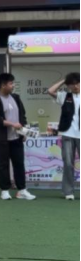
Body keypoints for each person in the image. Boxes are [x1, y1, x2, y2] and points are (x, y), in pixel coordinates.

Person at [0, 73, 36, 201]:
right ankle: (4, 191)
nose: (13, 85)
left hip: (16, 138)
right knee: (2, 165)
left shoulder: (16, 98)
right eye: (11, 83)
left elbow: (22, 116)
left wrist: (23, 131)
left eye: (13, 83)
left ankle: (22, 190)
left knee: (19, 164)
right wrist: (12, 124)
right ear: (3, 85)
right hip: (1, 140)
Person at [48, 72, 81, 200]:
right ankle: (68, 192)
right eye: (72, 84)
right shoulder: (64, 96)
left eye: (78, 83)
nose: (76, 86)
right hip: (67, 134)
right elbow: (50, 91)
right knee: (68, 163)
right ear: (69, 86)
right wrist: (64, 80)